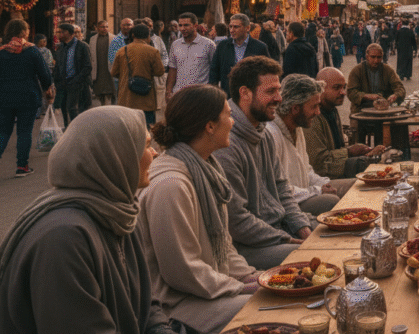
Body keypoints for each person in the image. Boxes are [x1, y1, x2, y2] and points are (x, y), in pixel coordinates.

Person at [0, 106, 175, 334]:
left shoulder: (119, 211)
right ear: (115, 157)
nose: (154, 154)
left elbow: (146, 302)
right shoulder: (63, 239)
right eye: (146, 145)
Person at [139, 85, 259, 334]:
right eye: (228, 115)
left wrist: (252, 277)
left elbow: (224, 247)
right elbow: (183, 272)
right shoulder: (171, 185)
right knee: (268, 311)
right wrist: (241, 288)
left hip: (206, 292)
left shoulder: (205, 169)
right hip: (177, 306)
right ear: (210, 126)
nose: (234, 122)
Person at [213, 56, 311, 270]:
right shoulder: (226, 143)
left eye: (279, 90)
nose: (279, 98)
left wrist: (301, 226)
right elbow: (237, 221)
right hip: (249, 246)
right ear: (245, 93)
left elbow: (282, 187)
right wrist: (285, 239)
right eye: (270, 92)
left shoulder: (262, 131)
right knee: (311, 257)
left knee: (326, 233)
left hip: (277, 229)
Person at [268, 74, 347, 214]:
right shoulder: (272, 135)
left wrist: (323, 184)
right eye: (314, 106)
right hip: (288, 206)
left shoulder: (297, 128)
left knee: (351, 187)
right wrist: (318, 191)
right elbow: (278, 190)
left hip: (307, 192)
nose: (318, 112)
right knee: (331, 201)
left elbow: (307, 170)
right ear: (295, 109)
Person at [306, 67, 384, 180]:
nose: (343, 92)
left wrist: (356, 151)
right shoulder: (313, 117)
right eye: (336, 88)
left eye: (344, 87)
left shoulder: (332, 110)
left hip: (333, 170)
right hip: (321, 179)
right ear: (321, 89)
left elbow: (337, 148)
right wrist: (349, 152)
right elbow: (319, 165)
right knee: (368, 167)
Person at [0, 20, 54, 177]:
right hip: (28, 97)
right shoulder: (31, 50)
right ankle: (22, 166)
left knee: (3, 131)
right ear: (24, 32)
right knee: (24, 132)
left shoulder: (2, 52)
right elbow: (44, 73)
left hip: (4, 97)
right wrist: (47, 88)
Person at [347, 43, 408, 152]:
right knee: (356, 130)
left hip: (383, 113)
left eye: (379, 57)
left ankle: (390, 153)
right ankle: (359, 155)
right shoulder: (357, 70)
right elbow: (351, 92)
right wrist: (367, 96)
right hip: (361, 111)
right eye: (373, 57)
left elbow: (400, 88)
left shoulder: (387, 70)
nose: (376, 60)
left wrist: (395, 95)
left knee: (398, 126)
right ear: (367, 57)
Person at [110, 24, 165, 126]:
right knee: (146, 129)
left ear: (133, 35)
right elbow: (160, 71)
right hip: (146, 98)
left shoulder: (122, 51)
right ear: (148, 36)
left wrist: (126, 76)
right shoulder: (152, 51)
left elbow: (114, 72)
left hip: (126, 99)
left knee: (129, 128)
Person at [209, 14, 270, 95]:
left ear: (247, 28)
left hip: (251, 95)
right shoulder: (223, 45)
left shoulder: (260, 47)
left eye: (236, 27)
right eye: (230, 27)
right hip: (228, 94)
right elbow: (214, 70)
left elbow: (267, 72)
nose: (232, 30)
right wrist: (214, 92)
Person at [166, 12, 217, 101]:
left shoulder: (208, 45)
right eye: (180, 25)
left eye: (186, 25)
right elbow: (173, 69)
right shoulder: (175, 45)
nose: (182, 28)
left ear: (195, 25)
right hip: (179, 94)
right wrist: (168, 91)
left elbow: (215, 70)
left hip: (201, 96)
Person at [53, 21, 92, 127]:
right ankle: (67, 128)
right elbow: (58, 66)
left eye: (61, 32)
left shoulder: (82, 46)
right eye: (58, 32)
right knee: (63, 107)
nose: (59, 35)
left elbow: (87, 66)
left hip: (76, 83)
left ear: (70, 33)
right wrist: (56, 82)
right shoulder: (61, 48)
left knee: (72, 107)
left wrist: (77, 80)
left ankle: (77, 130)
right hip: (62, 83)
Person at [88, 20, 116, 106]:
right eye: (102, 27)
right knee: (99, 91)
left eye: (106, 27)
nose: (105, 29)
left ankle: (108, 107)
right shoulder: (92, 39)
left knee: (110, 91)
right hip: (98, 68)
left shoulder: (114, 38)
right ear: (97, 28)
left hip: (110, 69)